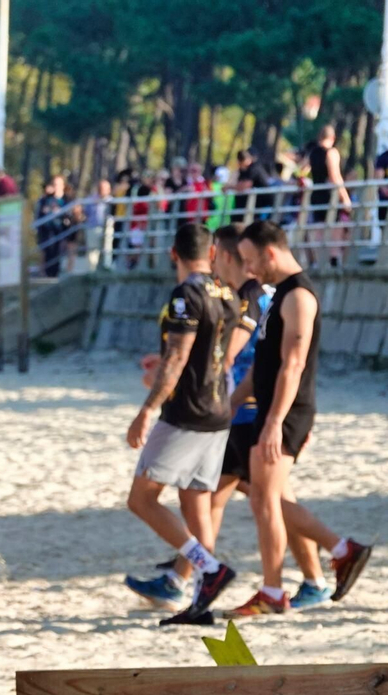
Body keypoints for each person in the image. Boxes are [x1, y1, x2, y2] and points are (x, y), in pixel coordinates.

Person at [228, 222, 372, 614]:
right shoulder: (278, 297)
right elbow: (264, 363)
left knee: (264, 497)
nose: (250, 270)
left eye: (251, 261)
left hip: (287, 410)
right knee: (264, 496)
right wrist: (232, 402)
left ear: (270, 253)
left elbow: (293, 365)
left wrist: (275, 421)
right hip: (271, 406)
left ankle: (287, 583)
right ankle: (334, 555)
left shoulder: (299, 297)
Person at [121, 223, 240, 623]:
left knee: (141, 499)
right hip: (219, 412)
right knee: (196, 507)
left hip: (187, 413)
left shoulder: (185, 295)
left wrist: (146, 409)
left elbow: (178, 357)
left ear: (174, 253)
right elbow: (213, 354)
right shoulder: (226, 292)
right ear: (211, 254)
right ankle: (195, 601)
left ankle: (208, 569)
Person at [304, 125, 352, 266]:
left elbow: (302, 170)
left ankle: (319, 260)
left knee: (320, 228)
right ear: (332, 138)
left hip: (317, 194)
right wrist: (345, 198)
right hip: (330, 195)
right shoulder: (331, 153)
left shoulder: (312, 153)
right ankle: (334, 259)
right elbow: (335, 176)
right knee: (336, 227)